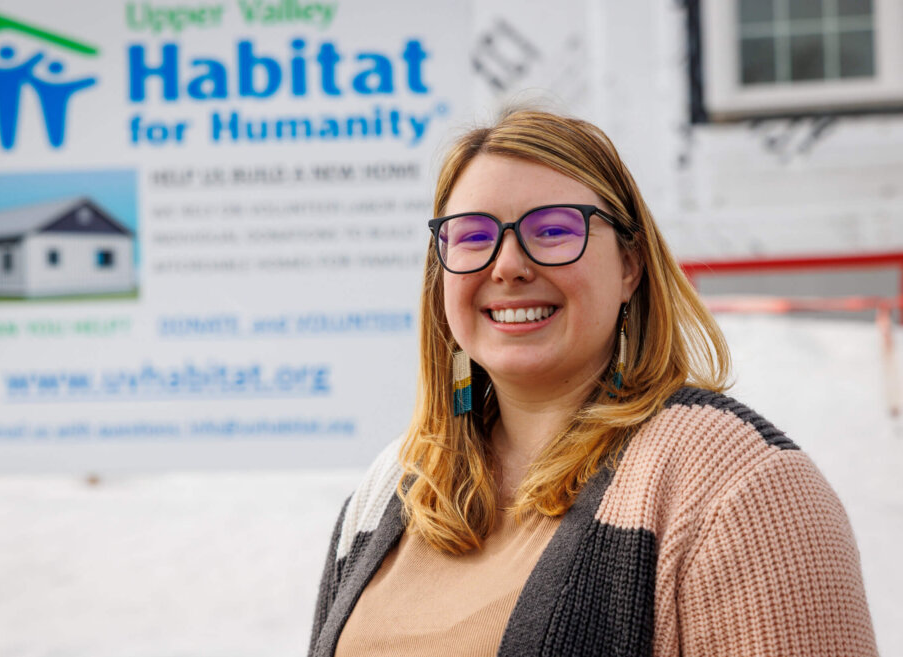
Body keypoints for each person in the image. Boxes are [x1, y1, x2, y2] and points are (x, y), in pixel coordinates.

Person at [309, 109, 878, 656]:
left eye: (553, 229)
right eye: (474, 236)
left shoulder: (740, 488)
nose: (507, 265)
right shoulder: (390, 489)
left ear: (630, 266)